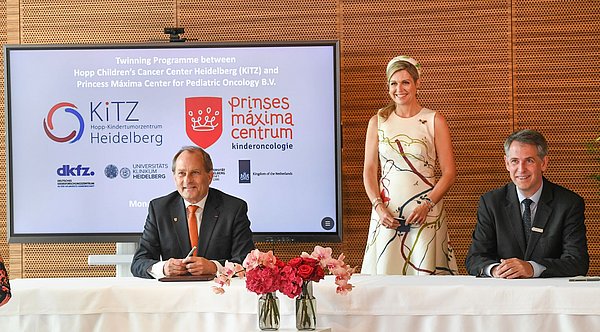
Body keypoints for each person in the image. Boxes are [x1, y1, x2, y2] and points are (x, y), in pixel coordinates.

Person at [361, 55, 458, 275]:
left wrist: (426, 205)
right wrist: (378, 206)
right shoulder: (377, 121)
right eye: (393, 83)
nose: (399, 89)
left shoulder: (435, 120)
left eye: (405, 82)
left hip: (425, 211)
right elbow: (369, 169)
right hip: (386, 213)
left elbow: (449, 173)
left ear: (417, 84)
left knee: (425, 276)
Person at [465, 129, 589, 278]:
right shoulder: (491, 202)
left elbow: (577, 262)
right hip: (503, 293)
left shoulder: (569, 204)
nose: (521, 169)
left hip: (549, 295)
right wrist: (495, 270)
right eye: (515, 161)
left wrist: (532, 268)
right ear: (507, 164)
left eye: (529, 160)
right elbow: (475, 258)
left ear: (543, 163)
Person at [131, 146, 255, 279]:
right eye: (181, 173)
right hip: (174, 295)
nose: (187, 180)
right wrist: (164, 268)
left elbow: (246, 261)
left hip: (219, 294)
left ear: (210, 176)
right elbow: (139, 262)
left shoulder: (233, 208)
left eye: (195, 172)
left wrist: (214, 267)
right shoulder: (159, 209)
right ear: (174, 177)